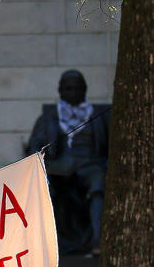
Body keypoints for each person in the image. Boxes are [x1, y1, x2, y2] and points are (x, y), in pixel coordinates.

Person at [26, 69, 110, 255]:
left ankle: (97, 240)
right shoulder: (49, 118)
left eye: (77, 88)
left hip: (90, 165)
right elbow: (35, 147)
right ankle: (48, 241)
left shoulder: (98, 117)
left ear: (85, 90)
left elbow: (109, 148)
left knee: (98, 182)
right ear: (60, 91)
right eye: (68, 88)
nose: (73, 92)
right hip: (60, 167)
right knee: (46, 185)